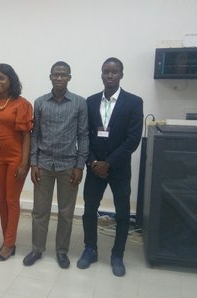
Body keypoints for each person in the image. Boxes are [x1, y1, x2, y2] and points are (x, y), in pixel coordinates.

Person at [77, 57, 143, 277]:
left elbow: (132, 139)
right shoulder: (91, 101)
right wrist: (94, 162)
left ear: (121, 75)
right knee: (89, 210)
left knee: (123, 214)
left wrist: (109, 163)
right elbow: (85, 134)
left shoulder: (134, 102)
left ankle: (117, 254)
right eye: (106, 71)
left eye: (114, 72)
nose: (110, 75)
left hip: (119, 169)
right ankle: (90, 249)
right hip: (95, 167)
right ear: (102, 74)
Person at [23, 61, 88, 268]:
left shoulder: (79, 103)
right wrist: (33, 163)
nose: (59, 78)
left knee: (66, 212)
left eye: (64, 75)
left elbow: (83, 135)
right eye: (56, 74)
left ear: (69, 78)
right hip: (43, 164)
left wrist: (80, 166)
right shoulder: (40, 102)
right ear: (50, 77)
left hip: (68, 165)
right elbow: (35, 135)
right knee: (40, 211)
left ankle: (61, 251)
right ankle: (37, 249)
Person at [0, 63, 33, 261]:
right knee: (2, 200)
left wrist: (24, 163)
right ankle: (8, 239)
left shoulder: (21, 104)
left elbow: (26, 136)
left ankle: (9, 244)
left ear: (10, 80)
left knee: (12, 200)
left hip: (16, 157)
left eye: (2, 78)